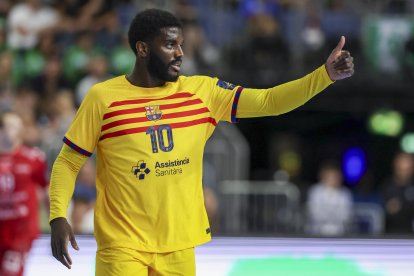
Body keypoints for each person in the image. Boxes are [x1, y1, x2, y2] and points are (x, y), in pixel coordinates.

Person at [49, 8, 354, 275]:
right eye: (170, 44)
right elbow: (68, 161)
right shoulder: (103, 98)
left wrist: (324, 75)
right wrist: (58, 216)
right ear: (142, 49)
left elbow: (268, 101)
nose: (180, 53)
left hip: (180, 246)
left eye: (181, 44)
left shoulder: (202, 92)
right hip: (122, 246)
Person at [0, 112, 48, 276]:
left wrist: (55, 221)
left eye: (16, 127)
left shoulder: (33, 158)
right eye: (8, 126)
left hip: (20, 232)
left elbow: (46, 190)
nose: (11, 131)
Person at [306, 161, 353, 236]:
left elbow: (345, 215)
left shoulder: (345, 193)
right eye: (330, 176)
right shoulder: (315, 191)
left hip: (340, 233)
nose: (333, 179)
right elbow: (314, 213)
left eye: (336, 176)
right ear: (323, 176)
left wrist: (333, 223)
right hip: (316, 232)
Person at [381, 152, 414, 234]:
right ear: (395, 165)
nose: (404, 168)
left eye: (408, 165)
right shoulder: (387, 187)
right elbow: (386, 210)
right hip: (390, 236)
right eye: (401, 165)